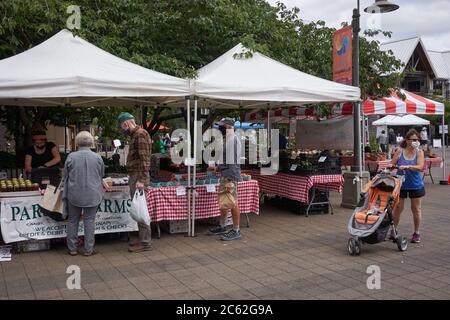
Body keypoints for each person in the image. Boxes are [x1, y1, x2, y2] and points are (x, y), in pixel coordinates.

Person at [63, 131, 107, 256]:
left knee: (72, 220)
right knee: (89, 221)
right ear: (91, 142)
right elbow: (101, 174)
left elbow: (65, 175)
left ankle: (72, 248)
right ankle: (89, 249)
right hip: (93, 193)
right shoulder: (97, 157)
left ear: (77, 142)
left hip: (74, 193)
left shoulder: (71, 157)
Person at [117, 112, 153, 252]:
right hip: (136, 175)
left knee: (141, 209)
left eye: (122, 126)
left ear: (125, 123)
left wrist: (142, 180)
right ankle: (143, 239)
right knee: (139, 209)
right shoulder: (136, 135)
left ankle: (145, 242)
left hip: (139, 176)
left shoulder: (140, 134)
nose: (122, 129)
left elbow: (145, 159)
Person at [208, 117, 242, 241]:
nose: (220, 128)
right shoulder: (229, 139)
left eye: (222, 126)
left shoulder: (232, 140)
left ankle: (236, 230)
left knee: (232, 203)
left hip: (230, 176)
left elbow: (232, 162)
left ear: (228, 126)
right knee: (224, 202)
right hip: (226, 174)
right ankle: (222, 226)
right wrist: (218, 168)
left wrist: (229, 179)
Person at [390, 129, 425, 243]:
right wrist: (393, 165)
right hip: (401, 184)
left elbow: (420, 167)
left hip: (415, 185)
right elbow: (392, 164)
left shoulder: (419, 152)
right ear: (407, 140)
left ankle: (416, 233)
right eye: (414, 139)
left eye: (417, 139)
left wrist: (408, 167)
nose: (416, 141)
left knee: (416, 209)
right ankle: (394, 230)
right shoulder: (400, 150)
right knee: (398, 208)